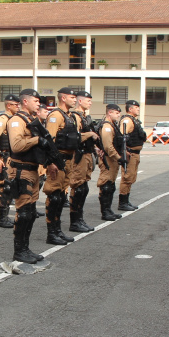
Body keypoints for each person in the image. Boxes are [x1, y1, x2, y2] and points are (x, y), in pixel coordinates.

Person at [7, 89, 59, 264]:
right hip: (20, 171)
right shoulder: (16, 120)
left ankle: (25, 248)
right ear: (25, 102)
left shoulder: (31, 120)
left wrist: (49, 162)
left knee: (30, 213)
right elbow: (16, 146)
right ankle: (19, 251)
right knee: (23, 213)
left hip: (32, 170)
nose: (39, 104)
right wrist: (36, 140)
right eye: (36, 101)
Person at [43, 87, 85, 245]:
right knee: (54, 196)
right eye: (72, 97)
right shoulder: (55, 116)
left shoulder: (70, 116)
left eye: (75, 97)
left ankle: (58, 230)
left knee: (61, 197)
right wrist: (51, 162)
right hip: (58, 160)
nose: (75, 99)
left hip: (68, 160)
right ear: (62, 98)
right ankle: (51, 233)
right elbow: (49, 140)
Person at [68, 90, 100, 232]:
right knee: (78, 188)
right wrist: (90, 134)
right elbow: (75, 137)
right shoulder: (75, 117)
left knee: (84, 188)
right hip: (79, 155)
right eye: (88, 100)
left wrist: (95, 147)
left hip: (87, 154)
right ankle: (75, 221)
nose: (90, 103)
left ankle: (79, 219)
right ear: (80, 101)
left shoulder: (85, 117)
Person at [0, 94, 19, 229]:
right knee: (6, 187)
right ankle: (2, 218)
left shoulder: (14, 119)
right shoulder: (2, 119)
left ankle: (6, 216)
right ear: (8, 105)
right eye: (15, 105)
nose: (18, 107)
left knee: (11, 186)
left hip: (13, 157)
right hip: (4, 157)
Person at [118, 100, 147, 211]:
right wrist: (124, 151)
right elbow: (121, 136)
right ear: (130, 109)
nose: (138, 109)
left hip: (135, 153)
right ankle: (123, 202)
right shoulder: (127, 120)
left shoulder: (134, 121)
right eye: (136, 107)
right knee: (127, 177)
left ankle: (126, 200)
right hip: (130, 153)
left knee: (131, 178)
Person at [96, 104, 124, 221]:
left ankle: (108, 209)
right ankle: (105, 212)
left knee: (111, 185)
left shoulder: (113, 125)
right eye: (116, 113)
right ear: (110, 113)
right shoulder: (107, 126)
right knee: (106, 185)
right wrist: (119, 158)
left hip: (112, 159)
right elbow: (108, 146)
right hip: (108, 159)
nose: (118, 115)